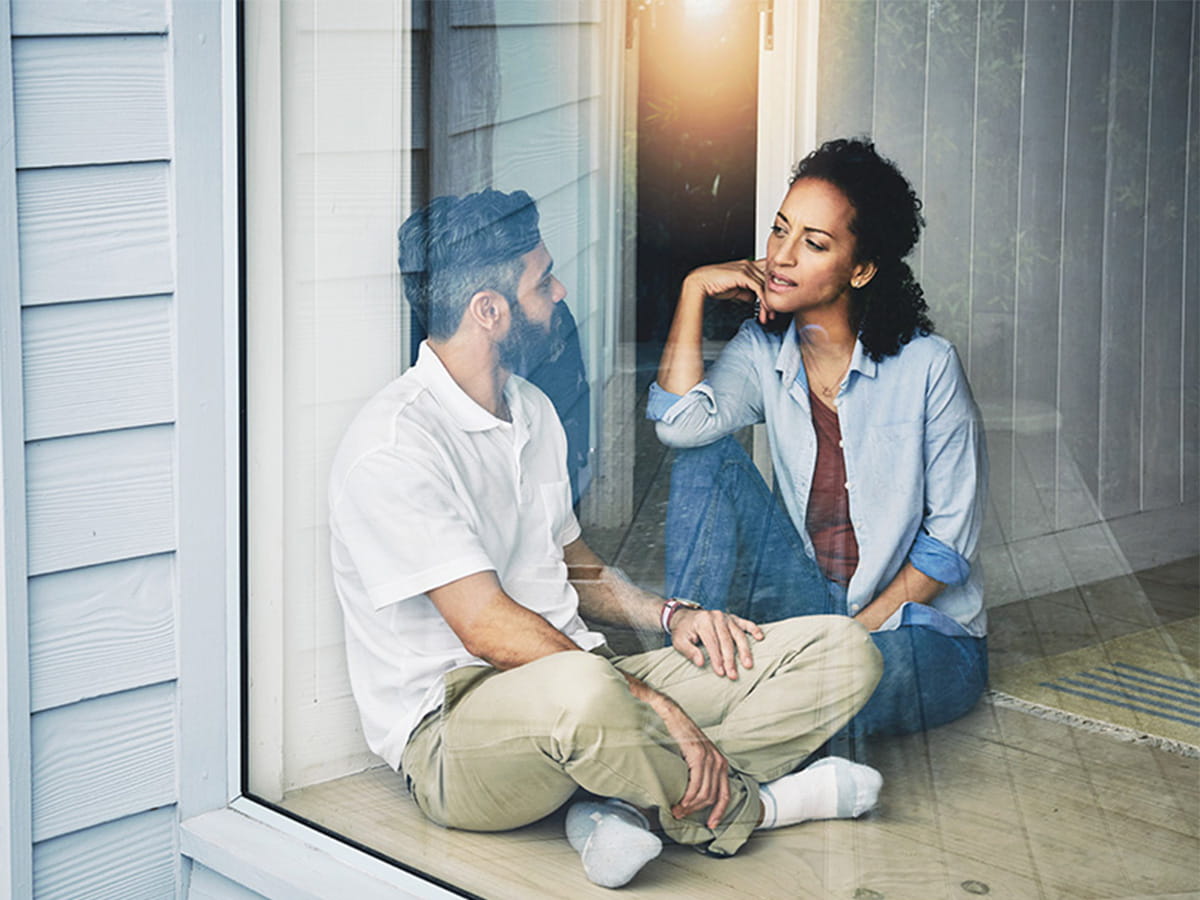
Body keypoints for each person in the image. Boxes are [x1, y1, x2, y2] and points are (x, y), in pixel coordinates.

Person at [328, 187, 884, 889]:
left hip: (586, 678)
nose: (560, 293)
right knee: (591, 692)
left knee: (843, 652)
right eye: (543, 282)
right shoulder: (395, 447)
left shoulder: (530, 410)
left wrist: (672, 616)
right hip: (456, 733)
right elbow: (486, 629)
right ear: (489, 311)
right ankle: (757, 808)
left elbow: (575, 568)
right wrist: (653, 703)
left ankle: (617, 801)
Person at [649, 138, 989, 743]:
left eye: (814, 243)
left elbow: (947, 545)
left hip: (912, 631)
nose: (781, 257)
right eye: (780, 230)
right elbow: (679, 426)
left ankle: (715, 743)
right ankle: (693, 645)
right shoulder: (763, 350)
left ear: (861, 269)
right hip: (808, 602)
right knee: (705, 457)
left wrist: (847, 638)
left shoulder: (928, 367)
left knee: (853, 683)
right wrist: (693, 289)